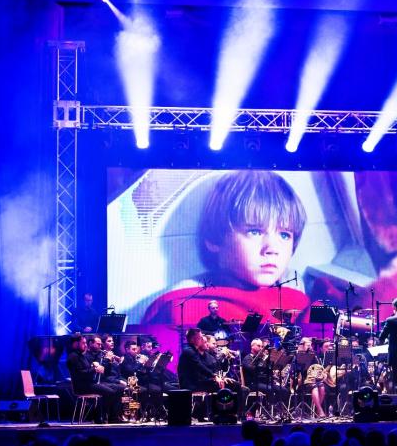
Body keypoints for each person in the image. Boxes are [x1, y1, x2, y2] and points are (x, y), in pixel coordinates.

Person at [142, 171, 310, 326]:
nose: (272, 249)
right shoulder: (182, 308)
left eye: (284, 235)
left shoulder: (294, 296)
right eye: (255, 232)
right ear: (214, 238)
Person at [66, 335, 124, 423]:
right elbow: (81, 374)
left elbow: (89, 369)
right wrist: (95, 369)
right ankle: (99, 417)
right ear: (76, 343)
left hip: (90, 383)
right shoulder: (73, 356)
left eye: (85, 343)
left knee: (118, 389)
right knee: (110, 392)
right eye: (83, 343)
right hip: (83, 386)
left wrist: (94, 366)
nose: (85, 345)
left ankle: (113, 417)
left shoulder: (80, 355)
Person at [295, 337, 326, 417]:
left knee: (322, 387)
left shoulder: (313, 355)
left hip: (313, 378)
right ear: (302, 345)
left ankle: (316, 409)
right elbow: (295, 370)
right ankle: (320, 410)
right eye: (308, 345)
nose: (310, 347)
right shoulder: (298, 355)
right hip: (302, 380)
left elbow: (317, 366)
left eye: (310, 345)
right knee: (314, 387)